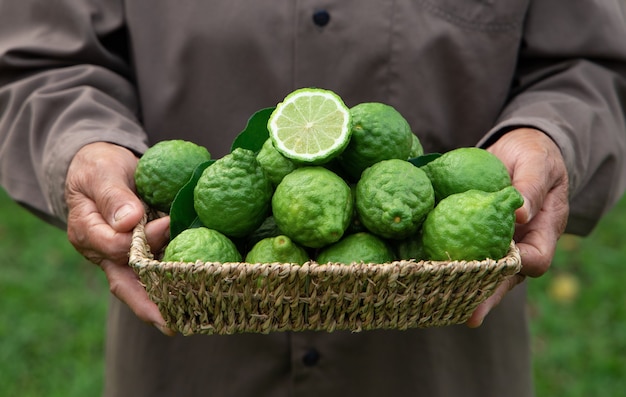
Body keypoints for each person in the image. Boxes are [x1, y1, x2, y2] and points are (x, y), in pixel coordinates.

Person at [1, 1, 625, 396]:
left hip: (440, 341)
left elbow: (595, 64)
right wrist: (82, 146)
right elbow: (42, 61)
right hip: (191, 338)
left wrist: (551, 137)